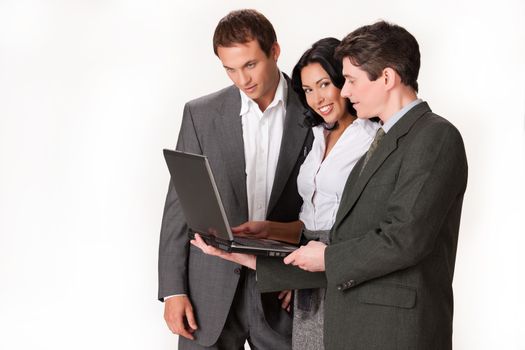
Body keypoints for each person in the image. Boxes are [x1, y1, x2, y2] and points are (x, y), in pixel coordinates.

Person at [192, 20, 468, 350]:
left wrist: (325, 258)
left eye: (349, 80)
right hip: (352, 313)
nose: (345, 91)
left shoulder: (434, 136)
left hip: (394, 326)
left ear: (387, 78)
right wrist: (243, 255)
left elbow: (404, 239)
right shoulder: (384, 137)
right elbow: (343, 236)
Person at [158, 9, 313, 350]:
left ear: (274, 51)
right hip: (207, 292)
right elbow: (178, 205)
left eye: (250, 64)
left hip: (282, 290)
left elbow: (329, 202)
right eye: (230, 69)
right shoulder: (200, 114)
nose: (243, 80)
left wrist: (301, 273)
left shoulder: (314, 110)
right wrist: (173, 290)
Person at [230, 37, 379, 350]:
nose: (316, 98)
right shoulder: (316, 136)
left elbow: (367, 224)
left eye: (324, 84)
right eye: (308, 90)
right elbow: (310, 218)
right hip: (305, 267)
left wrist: (310, 263)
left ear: (345, 82)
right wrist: (268, 231)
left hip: (340, 266)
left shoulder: (371, 139)